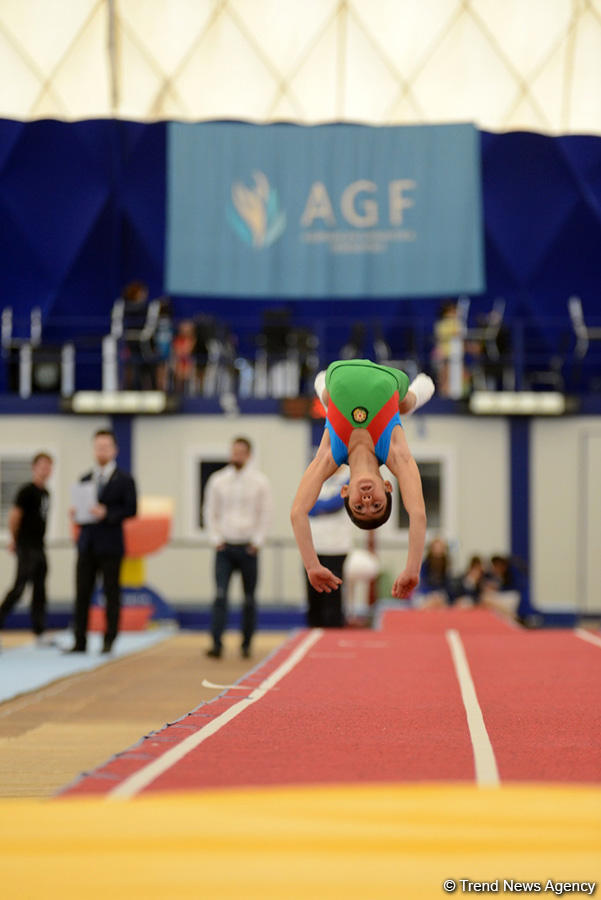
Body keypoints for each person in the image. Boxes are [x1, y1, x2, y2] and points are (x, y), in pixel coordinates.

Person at [291, 359, 434, 601]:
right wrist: (412, 568)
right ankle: (425, 387)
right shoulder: (396, 454)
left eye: (359, 506)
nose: (367, 500)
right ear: (388, 486)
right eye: (376, 505)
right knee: (406, 404)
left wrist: (312, 566)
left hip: (338, 374)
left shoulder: (329, 455)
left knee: (328, 399)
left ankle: (320, 380)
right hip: (388, 378)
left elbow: (297, 513)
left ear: (344, 491)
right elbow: (417, 513)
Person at [66, 429, 137, 654]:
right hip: (87, 544)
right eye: (98, 447)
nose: (101, 451)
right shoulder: (85, 478)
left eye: (106, 447)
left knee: (111, 593)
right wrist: (76, 514)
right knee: (82, 593)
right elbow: (82, 512)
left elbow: (132, 509)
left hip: (111, 545)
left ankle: (109, 640)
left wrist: (107, 513)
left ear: (114, 450)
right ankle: (80, 640)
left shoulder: (125, 480)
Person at [204, 437, 272, 659]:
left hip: (248, 548)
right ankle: (216, 643)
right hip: (225, 547)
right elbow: (210, 512)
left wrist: (257, 541)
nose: (237, 456)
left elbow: (265, 513)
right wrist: (216, 540)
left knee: (249, 599)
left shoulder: (260, 482)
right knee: (220, 596)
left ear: (249, 455)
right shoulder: (217, 480)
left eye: (241, 452)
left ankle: (246, 644)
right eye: (234, 451)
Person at [0, 452, 53, 647]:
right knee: (18, 588)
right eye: (42, 466)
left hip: (40, 548)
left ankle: (39, 631)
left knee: (40, 590)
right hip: (26, 547)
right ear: (34, 468)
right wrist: (14, 540)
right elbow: (14, 517)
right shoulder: (26, 491)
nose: (45, 470)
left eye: (49, 466)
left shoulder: (46, 493)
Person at [305, 468, 352, 628]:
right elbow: (303, 505)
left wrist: (317, 506)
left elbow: (336, 503)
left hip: (336, 546)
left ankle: (334, 629)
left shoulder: (349, 478)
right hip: (313, 547)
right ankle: (314, 629)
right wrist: (319, 507)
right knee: (313, 594)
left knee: (333, 594)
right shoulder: (315, 476)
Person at [416, 537, 453, 608]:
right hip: (426, 594)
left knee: (443, 604)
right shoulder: (425, 564)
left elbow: (448, 584)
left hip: (441, 594)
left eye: (440, 548)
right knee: (423, 603)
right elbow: (422, 583)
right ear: (431, 549)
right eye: (436, 548)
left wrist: (439, 595)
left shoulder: (446, 564)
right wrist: (431, 595)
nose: (438, 550)